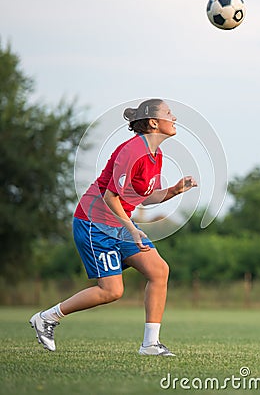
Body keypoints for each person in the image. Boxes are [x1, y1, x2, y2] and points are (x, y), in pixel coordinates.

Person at [30, 99, 197, 356]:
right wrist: (132, 229)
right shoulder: (132, 151)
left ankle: (150, 344)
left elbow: (140, 196)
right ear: (154, 122)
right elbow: (111, 197)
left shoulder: (156, 155)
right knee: (112, 291)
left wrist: (174, 190)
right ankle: (47, 317)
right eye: (168, 113)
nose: (174, 118)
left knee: (159, 270)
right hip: (93, 223)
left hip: (118, 225)